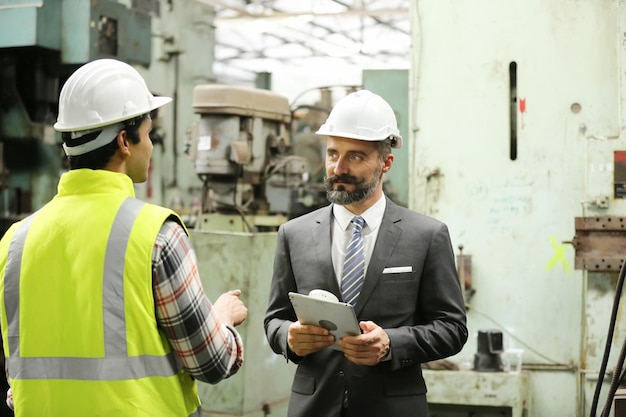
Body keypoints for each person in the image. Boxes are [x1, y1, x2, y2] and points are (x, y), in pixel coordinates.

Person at [0, 58, 247, 417]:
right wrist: (221, 317)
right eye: (147, 135)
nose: (150, 146)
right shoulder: (156, 235)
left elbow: (15, 377)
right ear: (124, 141)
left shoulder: (13, 243)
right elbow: (213, 362)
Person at [264, 89, 467, 417]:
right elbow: (274, 319)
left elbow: (452, 328)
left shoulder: (426, 236)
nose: (338, 167)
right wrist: (289, 337)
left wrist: (390, 343)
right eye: (332, 154)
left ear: (386, 162)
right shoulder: (294, 234)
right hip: (314, 408)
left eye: (355, 156)